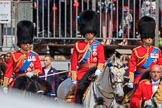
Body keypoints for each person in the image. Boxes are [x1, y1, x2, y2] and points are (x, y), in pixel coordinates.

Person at [70, 10, 105, 104]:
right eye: (87, 32)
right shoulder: (78, 45)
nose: (89, 34)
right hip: (82, 73)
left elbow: (101, 60)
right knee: (80, 88)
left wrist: (99, 69)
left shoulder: (98, 46)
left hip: (96, 72)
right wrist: (74, 78)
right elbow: (73, 63)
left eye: (91, 32)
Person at [3, 20, 42, 93]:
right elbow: (8, 72)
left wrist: (32, 73)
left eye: (29, 43)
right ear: (21, 43)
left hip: (31, 80)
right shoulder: (14, 56)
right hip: (18, 81)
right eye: (25, 43)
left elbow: (39, 70)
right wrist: (5, 85)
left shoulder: (35, 55)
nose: (28, 45)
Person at [127, 16, 162, 88]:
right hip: (140, 76)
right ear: (142, 38)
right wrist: (131, 80)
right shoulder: (136, 51)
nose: (149, 39)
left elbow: (160, 64)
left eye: (150, 37)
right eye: (147, 37)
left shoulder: (157, 51)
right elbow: (132, 66)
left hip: (155, 77)